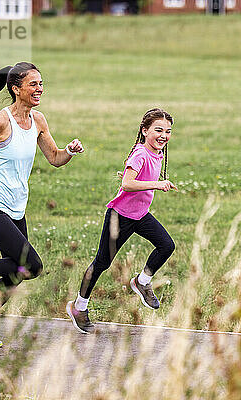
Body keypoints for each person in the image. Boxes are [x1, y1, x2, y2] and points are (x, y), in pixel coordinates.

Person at [0, 58, 84, 348]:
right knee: (33, 266)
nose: (39, 89)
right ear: (16, 89)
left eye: (41, 84)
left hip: (16, 208)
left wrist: (70, 151)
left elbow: (55, 159)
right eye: (33, 84)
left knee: (16, 272)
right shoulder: (0, 121)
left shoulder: (38, 121)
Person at [67, 108, 177, 334]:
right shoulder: (141, 154)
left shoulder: (157, 153)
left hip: (140, 215)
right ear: (144, 131)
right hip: (120, 216)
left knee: (167, 245)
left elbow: (134, 177)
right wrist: (157, 184)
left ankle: (142, 281)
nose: (163, 135)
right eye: (158, 130)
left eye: (168, 131)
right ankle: (79, 307)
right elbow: (127, 184)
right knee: (102, 263)